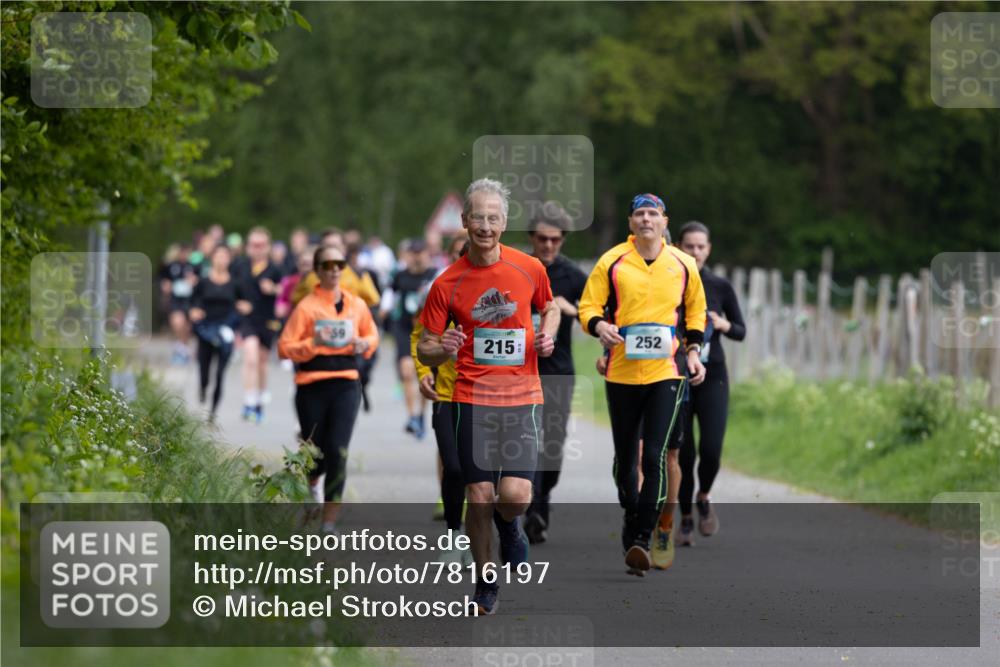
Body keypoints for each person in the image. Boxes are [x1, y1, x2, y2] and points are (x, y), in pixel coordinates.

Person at [418, 178, 559, 616]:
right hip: (470, 400)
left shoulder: (528, 268)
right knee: (478, 493)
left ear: (504, 222)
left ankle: (510, 525)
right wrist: (443, 347)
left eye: (492, 218)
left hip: (521, 397)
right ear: (464, 221)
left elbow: (550, 306)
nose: (484, 225)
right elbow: (425, 344)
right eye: (477, 217)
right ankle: (485, 580)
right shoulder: (448, 284)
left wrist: (546, 334)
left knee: (515, 494)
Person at [578, 193, 707, 576]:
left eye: (653, 213)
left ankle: (641, 537)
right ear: (631, 223)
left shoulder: (683, 264)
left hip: (666, 372)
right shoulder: (612, 261)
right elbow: (588, 307)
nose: (647, 219)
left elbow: (695, 310)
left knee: (654, 456)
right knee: (625, 460)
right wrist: (599, 326)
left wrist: (694, 350)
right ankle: (632, 512)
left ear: (665, 222)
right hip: (621, 372)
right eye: (640, 214)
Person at [278, 245, 379, 534]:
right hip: (312, 386)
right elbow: (284, 348)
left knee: (338, 450)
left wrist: (364, 344)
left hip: (346, 383)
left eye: (340, 264)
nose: (334, 269)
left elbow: (372, 334)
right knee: (317, 452)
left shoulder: (355, 304)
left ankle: (329, 521)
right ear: (318, 270)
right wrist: (312, 344)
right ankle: (312, 484)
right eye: (328, 265)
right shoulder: (307, 307)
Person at [675, 221, 745, 545]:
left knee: (712, 449)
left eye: (701, 246)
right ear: (678, 247)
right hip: (678, 374)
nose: (696, 252)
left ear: (709, 249)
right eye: (689, 246)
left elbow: (741, 331)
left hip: (713, 373)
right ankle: (686, 518)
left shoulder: (720, 286)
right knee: (684, 454)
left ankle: (704, 496)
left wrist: (723, 323)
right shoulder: (670, 281)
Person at [523, 202, 588, 545]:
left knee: (553, 444)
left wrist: (572, 311)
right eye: (542, 239)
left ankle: (541, 500)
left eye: (556, 240)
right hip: (519, 371)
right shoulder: (516, 270)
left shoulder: (574, 276)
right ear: (531, 237)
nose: (548, 246)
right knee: (525, 441)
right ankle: (529, 509)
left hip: (558, 372)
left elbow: (600, 317)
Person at [411, 236, 469, 557]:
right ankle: (453, 535)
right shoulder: (442, 289)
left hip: (489, 395)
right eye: (461, 255)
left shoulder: (500, 293)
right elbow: (419, 337)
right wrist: (423, 372)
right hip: (447, 393)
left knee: (484, 475)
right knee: (456, 467)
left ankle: (483, 538)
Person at [189, 245, 252, 422]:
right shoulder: (203, 281)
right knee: (204, 370)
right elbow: (192, 302)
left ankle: (212, 412)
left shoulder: (236, 283)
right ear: (212, 258)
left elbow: (247, 303)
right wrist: (193, 311)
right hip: (206, 330)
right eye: (218, 256)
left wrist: (245, 307)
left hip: (226, 331)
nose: (221, 259)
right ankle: (202, 388)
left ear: (229, 260)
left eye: (225, 256)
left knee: (220, 373)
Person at [384, 239, 438, 439]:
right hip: (404, 328)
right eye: (413, 253)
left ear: (427, 253)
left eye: (420, 252)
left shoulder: (434, 275)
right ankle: (412, 416)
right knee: (407, 372)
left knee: (425, 375)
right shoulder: (400, 276)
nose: (417, 256)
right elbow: (391, 294)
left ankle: (422, 414)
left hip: (427, 329)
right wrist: (384, 310)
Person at [234, 226, 283, 424]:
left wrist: (274, 289)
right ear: (248, 247)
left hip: (268, 319)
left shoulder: (276, 269)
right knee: (250, 357)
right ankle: (248, 400)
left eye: (261, 245)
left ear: (268, 247)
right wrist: (238, 304)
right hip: (248, 320)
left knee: (262, 361)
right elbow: (231, 291)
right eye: (254, 245)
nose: (257, 248)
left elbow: (287, 291)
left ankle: (260, 399)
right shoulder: (240, 267)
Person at [159, 244, 197, 365]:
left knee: (187, 327)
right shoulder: (170, 266)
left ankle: (183, 348)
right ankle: (180, 346)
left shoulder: (193, 266)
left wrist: (195, 282)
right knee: (178, 323)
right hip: (175, 300)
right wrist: (165, 286)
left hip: (190, 301)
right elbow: (162, 279)